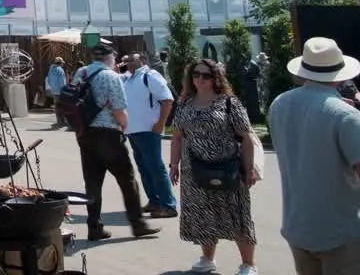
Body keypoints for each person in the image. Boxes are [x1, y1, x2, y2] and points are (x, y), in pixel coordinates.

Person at [273, 38, 360, 275]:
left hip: (299, 228)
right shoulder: (347, 116)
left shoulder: (279, 104)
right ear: (341, 73)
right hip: (342, 235)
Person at [170, 60, 258, 275]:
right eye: (196, 74)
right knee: (203, 214)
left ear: (216, 78)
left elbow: (247, 138)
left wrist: (249, 168)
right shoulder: (185, 104)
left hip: (227, 167)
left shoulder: (229, 103)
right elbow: (177, 138)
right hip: (194, 170)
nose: (200, 79)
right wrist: (174, 165)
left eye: (206, 75)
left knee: (237, 214)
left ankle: (248, 264)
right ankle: (208, 259)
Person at [74, 43, 158, 241]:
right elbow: (119, 109)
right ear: (109, 57)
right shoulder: (110, 76)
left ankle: (94, 227)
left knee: (92, 183)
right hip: (108, 134)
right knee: (127, 180)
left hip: (85, 133)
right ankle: (138, 225)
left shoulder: (81, 73)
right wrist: (124, 126)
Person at [122, 53, 177, 218]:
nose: (128, 62)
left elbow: (167, 100)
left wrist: (160, 123)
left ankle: (168, 205)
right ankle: (154, 201)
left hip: (148, 130)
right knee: (144, 168)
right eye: (126, 60)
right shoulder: (128, 79)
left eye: (132, 59)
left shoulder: (150, 76)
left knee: (155, 167)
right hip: (133, 131)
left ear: (142, 61)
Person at [45, 57, 69, 128]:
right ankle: (63, 121)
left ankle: (59, 121)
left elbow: (48, 80)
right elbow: (62, 82)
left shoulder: (51, 70)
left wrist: (53, 87)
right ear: (60, 63)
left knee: (57, 106)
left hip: (54, 91)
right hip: (60, 91)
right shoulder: (60, 70)